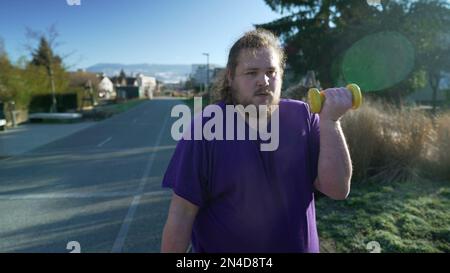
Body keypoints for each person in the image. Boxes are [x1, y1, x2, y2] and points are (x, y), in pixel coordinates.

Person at [161, 29, 353, 253]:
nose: (264, 81)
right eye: (251, 73)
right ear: (231, 77)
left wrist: (331, 121)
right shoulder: (205, 129)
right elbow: (181, 214)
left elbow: (338, 189)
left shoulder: (303, 116)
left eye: (271, 72)